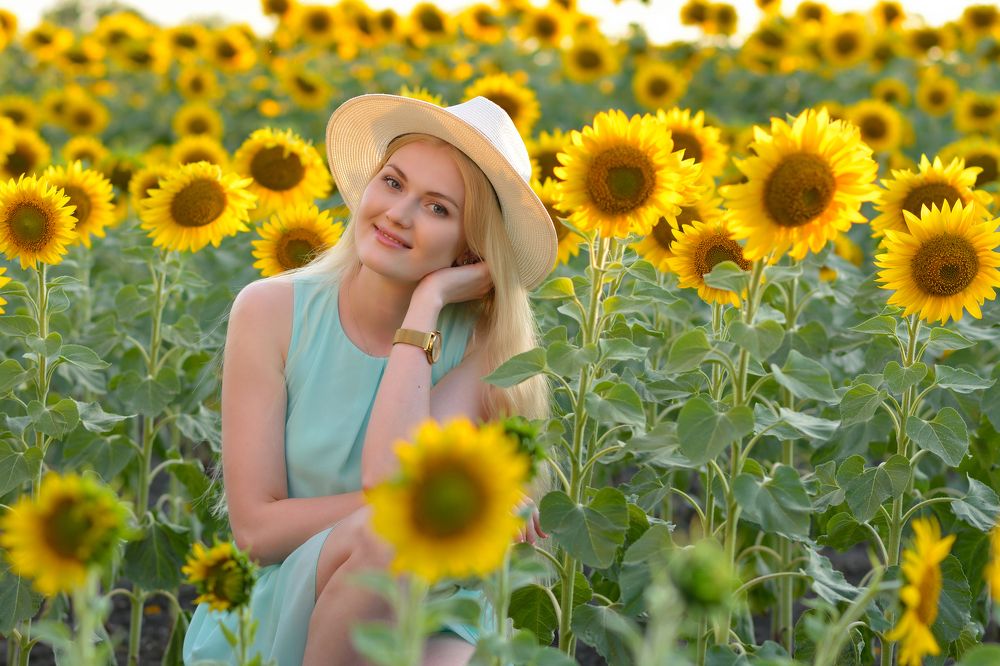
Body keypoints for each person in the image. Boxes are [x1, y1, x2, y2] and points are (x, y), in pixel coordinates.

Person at [182, 94, 558, 666]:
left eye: (437, 209)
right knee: (386, 533)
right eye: (393, 182)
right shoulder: (270, 311)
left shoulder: (481, 346)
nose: (398, 214)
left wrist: (426, 305)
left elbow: (393, 476)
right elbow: (258, 533)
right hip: (284, 593)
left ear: (472, 249)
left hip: (429, 596)